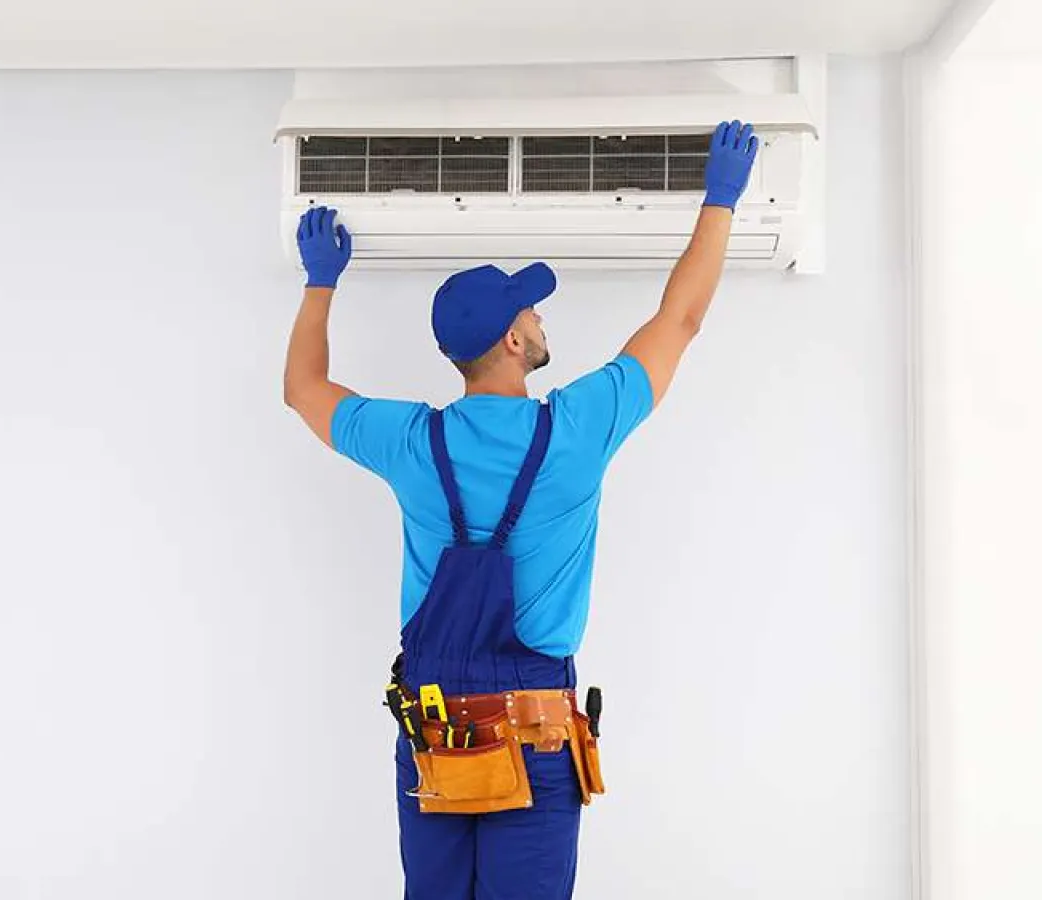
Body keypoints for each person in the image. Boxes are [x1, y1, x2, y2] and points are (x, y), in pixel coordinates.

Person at [280, 121, 760, 899]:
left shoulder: (409, 440)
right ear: (512, 340)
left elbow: (302, 390)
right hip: (533, 728)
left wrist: (320, 282)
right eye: (530, 312)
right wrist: (721, 198)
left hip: (433, 728)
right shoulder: (575, 429)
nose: (540, 319)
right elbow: (680, 320)